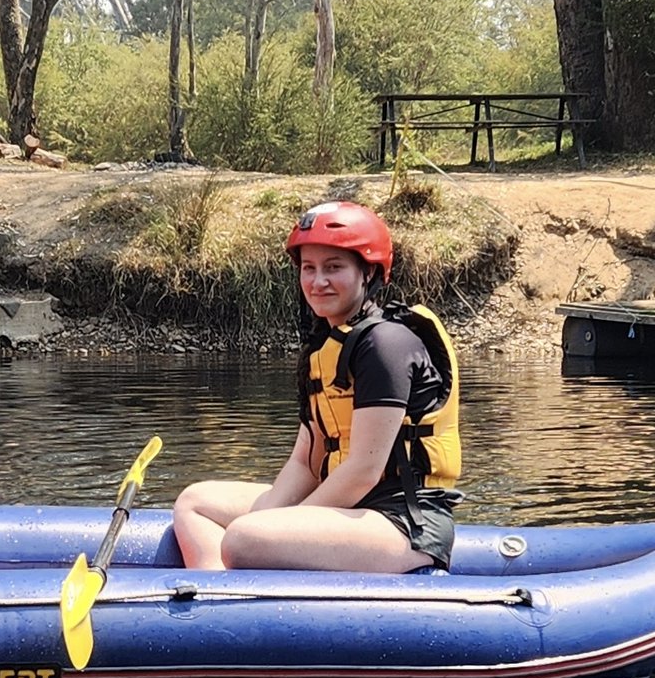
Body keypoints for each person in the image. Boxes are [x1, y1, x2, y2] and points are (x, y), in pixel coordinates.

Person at [171, 200, 460, 574]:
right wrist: (274, 512)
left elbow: (363, 471)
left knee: (244, 538)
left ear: (368, 272)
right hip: (346, 510)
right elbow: (306, 462)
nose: (317, 281)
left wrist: (282, 525)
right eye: (309, 268)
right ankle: (213, 607)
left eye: (333, 267)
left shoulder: (386, 345)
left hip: (401, 522)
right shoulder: (325, 347)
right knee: (195, 502)